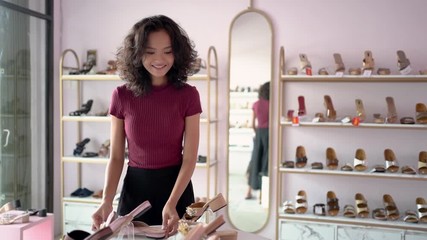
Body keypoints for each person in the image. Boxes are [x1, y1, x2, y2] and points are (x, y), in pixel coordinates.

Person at [91, 15, 202, 236]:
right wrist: (106, 200)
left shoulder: (188, 95)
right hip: (135, 192)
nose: (159, 59)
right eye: (150, 52)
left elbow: (189, 158)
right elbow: (115, 157)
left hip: (176, 192)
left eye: (168, 51)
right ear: (137, 53)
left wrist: (171, 202)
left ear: (178, 54)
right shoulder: (121, 96)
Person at [246, 81, 270, 200]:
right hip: (269, 134)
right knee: (266, 162)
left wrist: (257, 134)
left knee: (255, 160)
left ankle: (249, 191)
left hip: (259, 133)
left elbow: (252, 124)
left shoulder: (256, 104)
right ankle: (262, 195)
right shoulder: (272, 104)